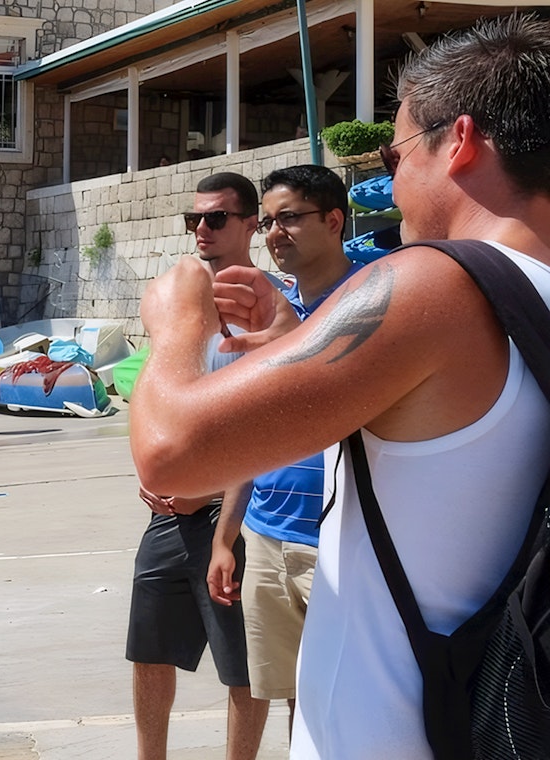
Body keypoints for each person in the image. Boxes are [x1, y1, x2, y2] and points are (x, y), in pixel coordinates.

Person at [129, 14, 550, 758]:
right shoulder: (525, 293)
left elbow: (172, 453)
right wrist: (297, 335)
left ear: (459, 141)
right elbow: (450, 428)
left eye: (396, 152)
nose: (391, 181)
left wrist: (177, 324)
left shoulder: (434, 283)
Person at [206, 165, 362, 736]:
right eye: (269, 221)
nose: (275, 232)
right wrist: (226, 538)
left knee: (340, 699)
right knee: (292, 697)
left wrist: (297, 339)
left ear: (334, 220)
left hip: (342, 540)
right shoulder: (270, 309)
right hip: (267, 535)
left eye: (290, 218)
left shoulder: (377, 300)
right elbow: (253, 434)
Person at [128, 172, 270, 760]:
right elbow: (155, 394)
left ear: (251, 225)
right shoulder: (172, 300)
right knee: (150, 649)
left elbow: (262, 429)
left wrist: (210, 501)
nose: (202, 230)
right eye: (194, 220)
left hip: (236, 514)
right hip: (170, 513)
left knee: (242, 666)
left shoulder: (268, 305)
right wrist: (151, 477)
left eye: (216, 219)